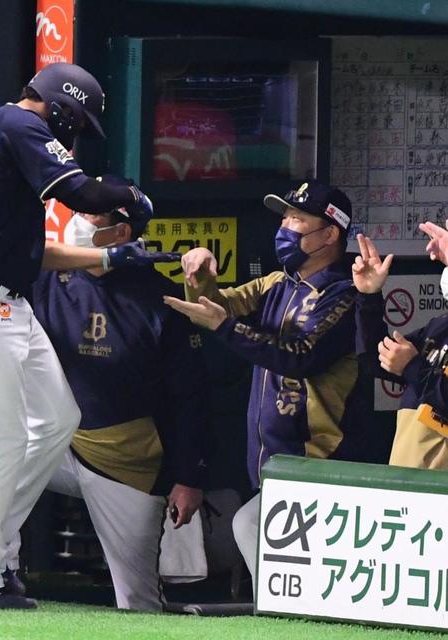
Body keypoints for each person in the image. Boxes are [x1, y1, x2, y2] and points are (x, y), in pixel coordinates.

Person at [0, 61, 177, 609]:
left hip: (2, 298)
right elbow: (81, 193)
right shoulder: (15, 122)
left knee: (58, 419)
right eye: (75, 121)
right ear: (59, 106)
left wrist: (109, 253)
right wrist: (128, 200)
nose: (72, 133)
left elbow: (32, 253)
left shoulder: (9, 139)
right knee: (4, 438)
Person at [0, 198, 208, 612]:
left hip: (122, 460)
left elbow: (189, 397)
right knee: (4, 451)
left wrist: (189, 477)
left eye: (94, 214)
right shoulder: (47, 276)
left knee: (138, 599)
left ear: (122, 233)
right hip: (60, 446)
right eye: (81, 209)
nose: (80, 219)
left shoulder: (160, 298)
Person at [164, 180, 377, 596]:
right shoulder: (277, 282)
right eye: (284, 216)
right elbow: (220, 306)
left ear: (330, 233)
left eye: (297, 219)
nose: (285, 226)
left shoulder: (346, 290)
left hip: (321, 462)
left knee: (258, 536)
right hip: (275, 463)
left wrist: (223, 327)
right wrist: (202, 277)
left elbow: (299, 355)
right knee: (266, 547)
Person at [353, 225, 448, 469]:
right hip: (409, 487)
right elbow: (379, 360)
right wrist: (370, 296)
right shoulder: (440, 327)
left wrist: (414, 367)